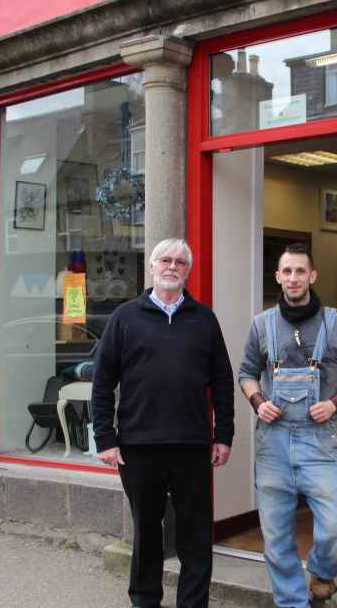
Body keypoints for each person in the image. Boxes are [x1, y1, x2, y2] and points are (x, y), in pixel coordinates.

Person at [91, 237, 234, 608]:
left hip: (191, 446)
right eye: (165, 260)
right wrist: (105, 437)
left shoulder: (204, 319)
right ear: (152, 266)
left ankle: (192, 603)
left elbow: (222, 381)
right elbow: (102, 380)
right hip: (139, 446)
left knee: (195, 535)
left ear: (188, 271)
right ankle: (144, 599)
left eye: (180, 262)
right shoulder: (125, 317)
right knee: (148, 533)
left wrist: (224, 435)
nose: (172, 267)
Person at [238, 243, 337, 607]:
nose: (293, 278)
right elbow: (246, 373)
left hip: (319, 443)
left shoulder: (335, 323)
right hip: (273, 444)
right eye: (287, 271)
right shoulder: (261, 324)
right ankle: (292, 603)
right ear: (278, 277)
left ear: (312, 276)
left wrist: (335, 402)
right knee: (277, 541)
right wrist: (258, 402)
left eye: (300, 271)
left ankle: (323, 572)